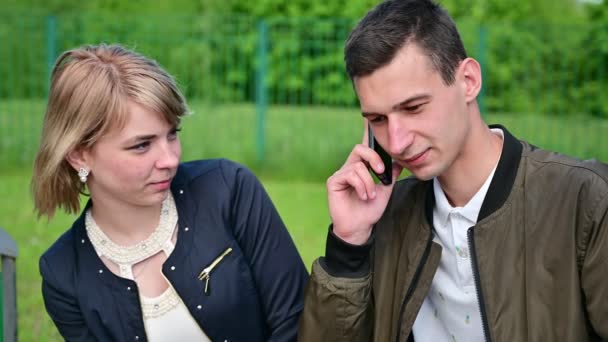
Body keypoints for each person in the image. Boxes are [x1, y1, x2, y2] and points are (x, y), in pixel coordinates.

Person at [298, 0, 608, 341]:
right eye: (378, 119)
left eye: (413, 107)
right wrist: (349, 246)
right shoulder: (384, 216)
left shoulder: (585, 201)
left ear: (469, 81)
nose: (397, 142)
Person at [33, 44, 308, 342]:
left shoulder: (229, 190)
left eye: (172, 134)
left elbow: (298, 320)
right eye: (141, 145)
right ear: (79, 156)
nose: (170, 159)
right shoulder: (62, 274)